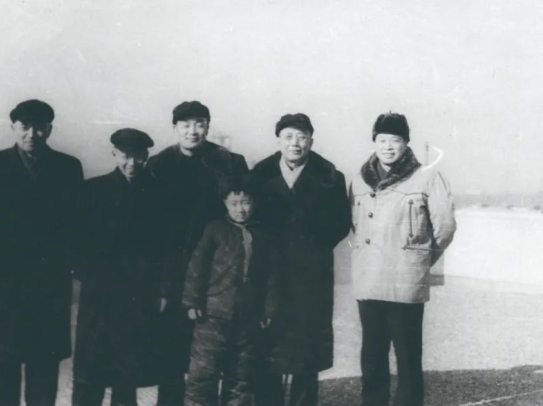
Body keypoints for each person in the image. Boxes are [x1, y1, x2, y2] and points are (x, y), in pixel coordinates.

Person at [0, 99, 84, 406]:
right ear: (13, 128)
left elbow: (77, 219)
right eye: (25, 127)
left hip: (49, 282)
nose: (32, 134)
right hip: (4, 280)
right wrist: (7, 247)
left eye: (39, 127)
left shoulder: (68, 167)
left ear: (49, 129)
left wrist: (57, 256)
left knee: (44, 366)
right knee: (3, 364)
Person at [349, 112, 456, 406]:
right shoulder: (359, 180)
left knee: (408, 357)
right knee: (372, 355)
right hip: (370, 280)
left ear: (406, 143)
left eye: (395, 140)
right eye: (382, 140)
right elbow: (355, 225)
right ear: (375, 142)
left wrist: (418, 261)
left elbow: (445, 227)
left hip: (405, 282)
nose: (387, 146)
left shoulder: (427, 177)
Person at [147, 101, 249, 406]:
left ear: (208, 126)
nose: (192, 131)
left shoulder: (229, 162)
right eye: (185, 124)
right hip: (173, 271)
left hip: (219, 273)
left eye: (200, 123)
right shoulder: (159, 165)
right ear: (175, 128)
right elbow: (150, 224)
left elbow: (245, 213)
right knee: (172, 352)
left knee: (220, 353)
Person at [251, 113, 351, 406]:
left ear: (311, 141)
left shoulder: (329, 176)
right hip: (269, 272)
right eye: (288, 137)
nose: (295, 143)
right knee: (267, 345)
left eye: (301, 137)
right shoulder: (260, 174)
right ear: (278, 141)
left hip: (311, 274)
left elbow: (340, 224)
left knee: (307, 349)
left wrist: (310, 247)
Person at [71, 129, 166, 406]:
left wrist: (162, 288)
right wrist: (87, 273)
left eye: (138, 157)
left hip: (138, 292)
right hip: (99, 293)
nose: (131, 163)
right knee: (89, 369)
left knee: (127, 371)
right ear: (114, 154)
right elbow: (74, 238)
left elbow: (167, 246)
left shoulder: (158, 193)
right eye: (125, 156)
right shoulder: (93, 189)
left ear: (146, 156)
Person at [182, 176, 279, 406]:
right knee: (202, 374)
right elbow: (197, 266)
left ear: (254, 203)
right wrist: (193, 301)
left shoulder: (263, 234)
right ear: (225, 203)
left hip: (248, 317)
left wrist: (270, 309)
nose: (240, 209)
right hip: (212, 317)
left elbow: (272, 276)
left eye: (245, 202)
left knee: (241, 376)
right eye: (234, 203)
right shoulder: (215, 229)